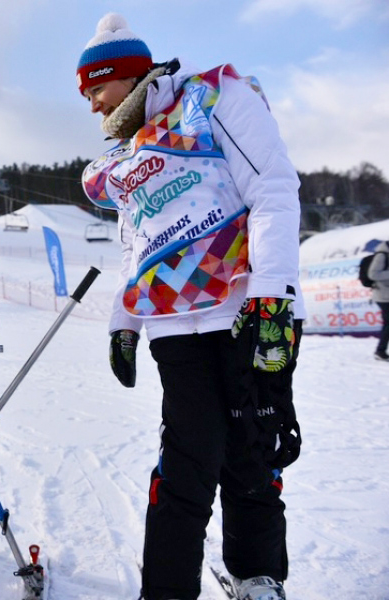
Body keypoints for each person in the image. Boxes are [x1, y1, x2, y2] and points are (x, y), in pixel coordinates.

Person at [77, 14, 305, 600]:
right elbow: (137, 246)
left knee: (252, 455)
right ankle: (168, 589)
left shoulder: (217, 98)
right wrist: (123, 323)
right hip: (173, 327)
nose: (92, 104)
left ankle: (256, 575)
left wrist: (272, 296)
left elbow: (273, 190)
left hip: (247, 314)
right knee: (187, 467)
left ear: (124, 76)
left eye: (95, 89)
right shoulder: (129, 156)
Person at [368, 240, 389, 360]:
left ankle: (380, 350)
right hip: (383, 296)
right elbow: (373, 274)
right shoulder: (382, 255)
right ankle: (380, 351)